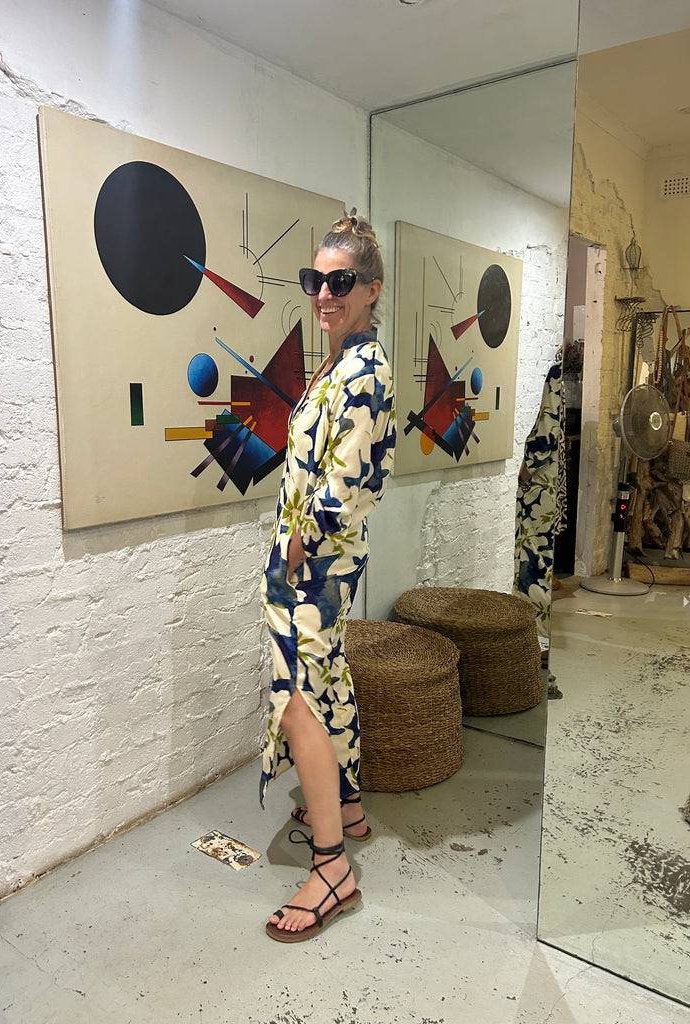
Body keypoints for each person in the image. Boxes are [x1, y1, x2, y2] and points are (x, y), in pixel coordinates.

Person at [259, 213, 396, 942]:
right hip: (315, 561)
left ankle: (332, 868)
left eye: (341, 282)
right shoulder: (340, 361)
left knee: (297, 701)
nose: (324, 294)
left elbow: (346, 484)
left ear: (371, 289)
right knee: (327, 679)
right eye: (316, 280)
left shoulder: (364, 371)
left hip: (314, 562)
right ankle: (344, 807)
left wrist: (298, 546)